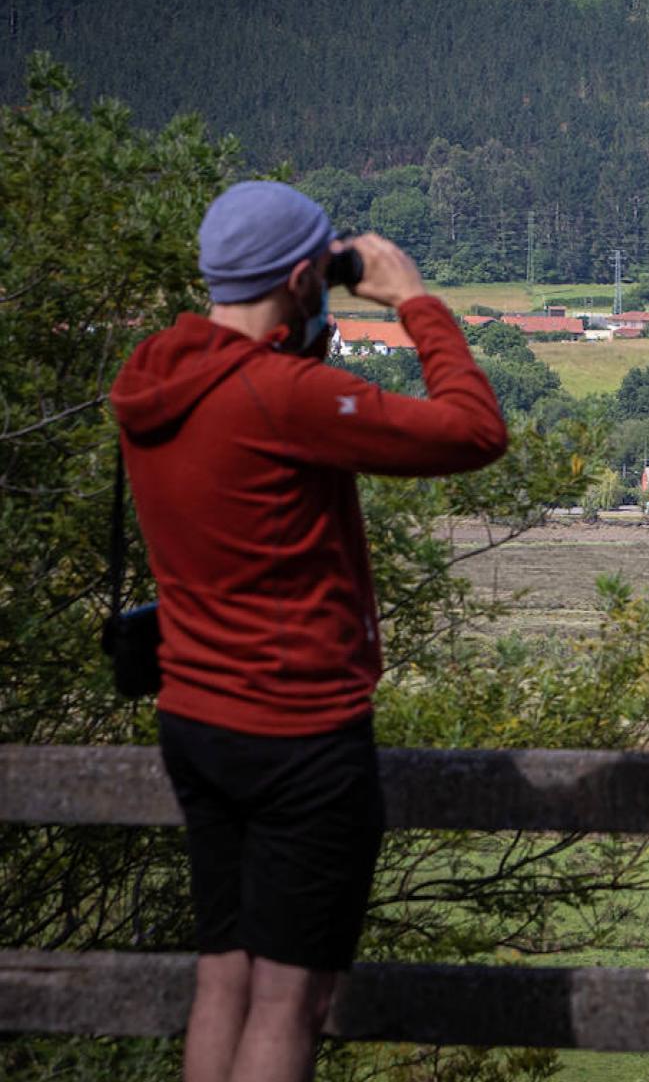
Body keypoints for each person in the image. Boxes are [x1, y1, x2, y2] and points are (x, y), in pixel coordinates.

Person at [109, 181, 509, 1082]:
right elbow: (475, 431)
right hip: (298, 733)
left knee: (224, 979)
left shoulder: (155, 376)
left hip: (194, 719)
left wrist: (304, 324)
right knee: (293, 1000)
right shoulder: (278, 397)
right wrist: (415, 302)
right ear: (302, 277)